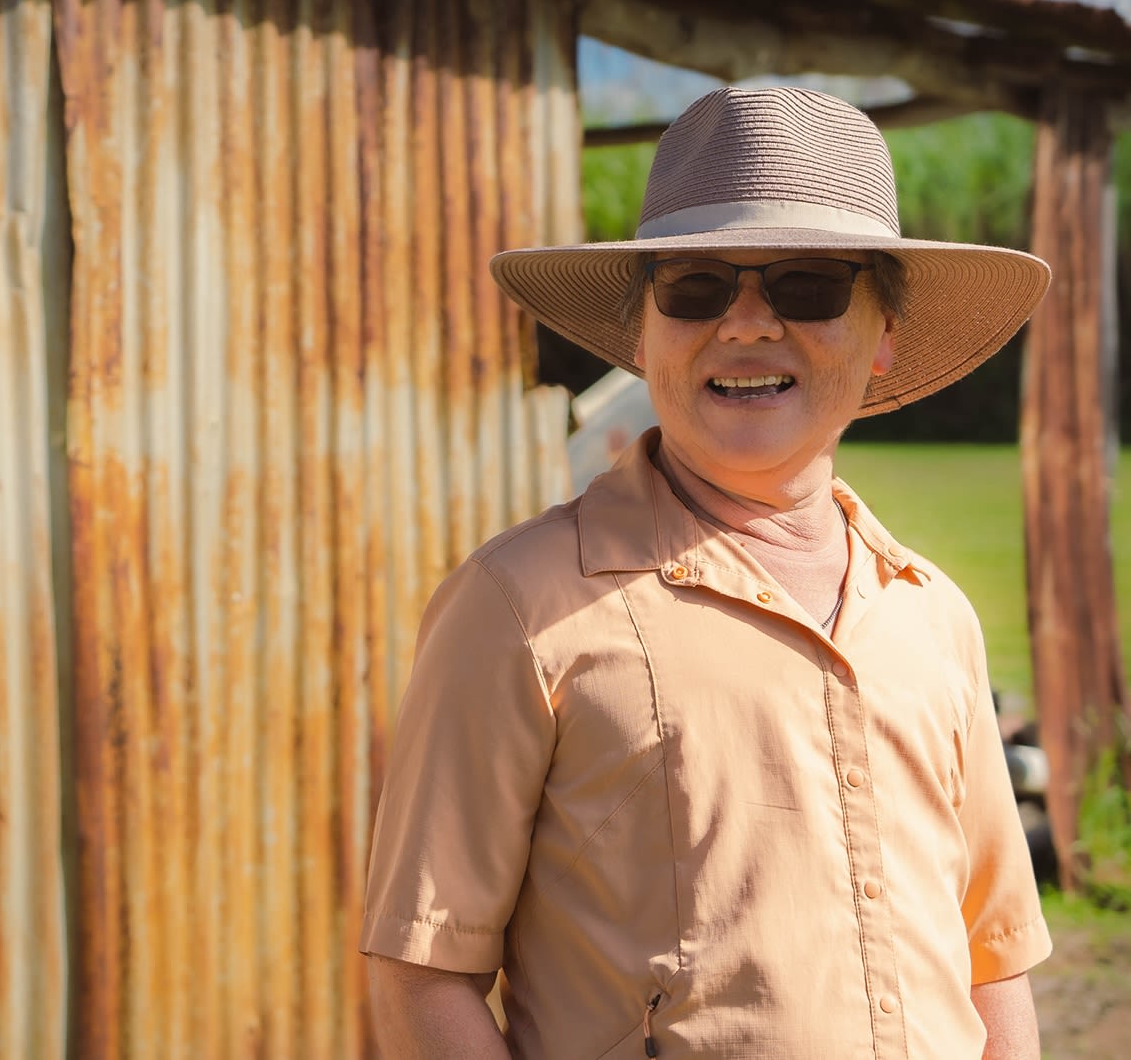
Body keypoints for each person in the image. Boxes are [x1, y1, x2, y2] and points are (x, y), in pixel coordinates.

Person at [361, 86, 1054, 1059]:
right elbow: (421, 973)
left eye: (804, 286)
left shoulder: (931, 616)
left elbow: (991, 960)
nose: (744, 322)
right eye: (693, 287)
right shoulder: (519, 608)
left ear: (883, 333)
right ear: (639, 335)